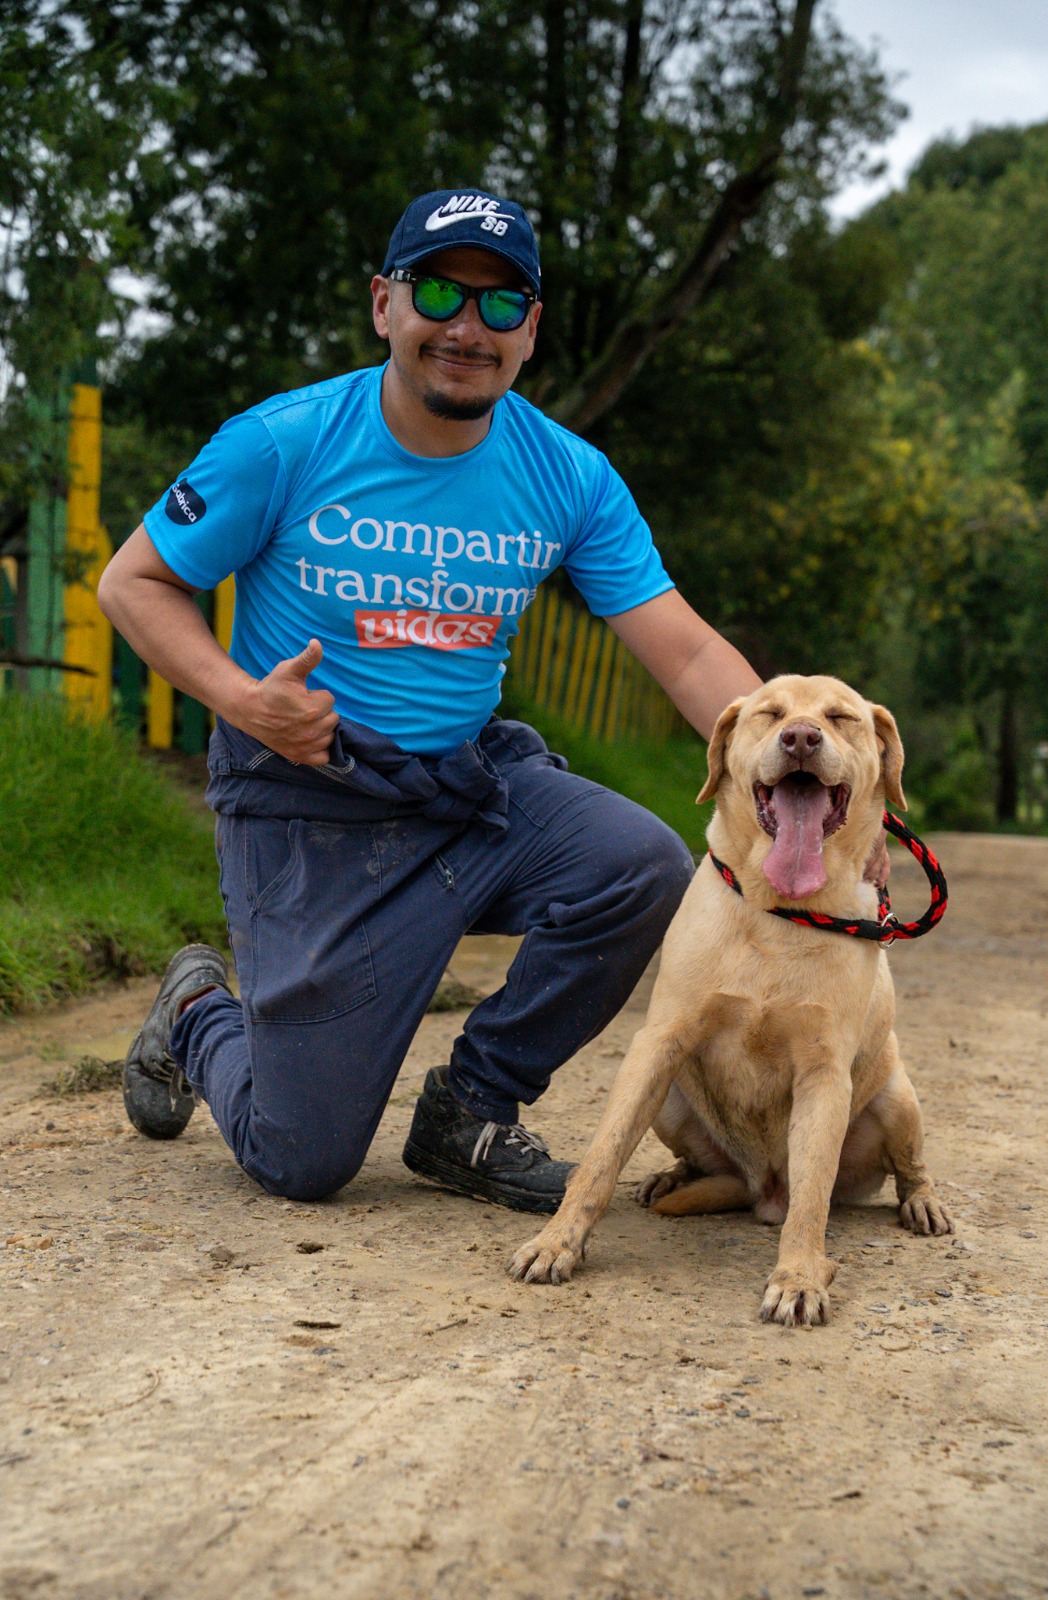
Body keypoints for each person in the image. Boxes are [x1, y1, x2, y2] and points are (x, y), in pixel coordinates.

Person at [99, 186, 793, 1213]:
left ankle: (470, 1110)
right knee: (301, 1158)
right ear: (384, 304)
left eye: (500, 303)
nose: (467, 327)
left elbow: (686, 653)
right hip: (307, 797)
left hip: (468, 789)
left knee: (640, 863)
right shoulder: (283, 442)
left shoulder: (569, 475)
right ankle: (202, 1007)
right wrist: (243, 699)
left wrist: (802, 781)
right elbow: (135, 582)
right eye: (438, 293)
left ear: (530, 331)